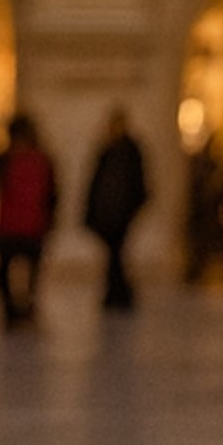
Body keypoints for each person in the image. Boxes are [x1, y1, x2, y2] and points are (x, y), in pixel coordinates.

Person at [0, 114, 57, 326]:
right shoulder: (41, 160)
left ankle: (15, 311)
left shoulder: (7, 160)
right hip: (30, 225)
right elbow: (52, 195)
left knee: (7, 272)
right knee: (29, 274)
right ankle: (23, 310)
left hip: (14, 225)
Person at [85, 108, 150, 311]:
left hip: (121, 212)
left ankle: (119, 293)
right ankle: (116, 292)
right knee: (113, 254)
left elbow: (139, 183)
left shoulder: (130, 151)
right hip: (107, 213)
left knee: (117, 253)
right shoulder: (106, 150)